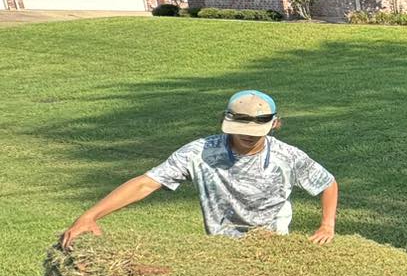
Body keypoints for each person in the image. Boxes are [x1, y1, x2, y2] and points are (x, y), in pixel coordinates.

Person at [60, 90, 338, 248]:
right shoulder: (200, 153)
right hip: (219, 246)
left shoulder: (286, 156)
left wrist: (326, 225)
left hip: (273, 241)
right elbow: (147, 182)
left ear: (274, 125)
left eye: (257, 129)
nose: (249, 135)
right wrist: (90, 216)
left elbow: (327, 183)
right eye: (242, 129)